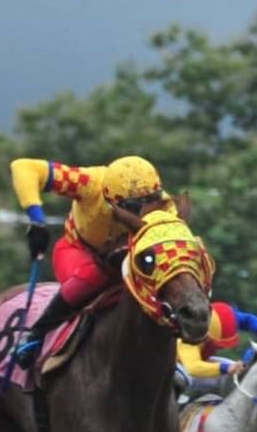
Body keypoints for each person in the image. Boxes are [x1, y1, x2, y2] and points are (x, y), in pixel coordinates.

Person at [9, 154, 177, 368]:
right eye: (134, 207)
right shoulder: (90, 183)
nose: (144, 213)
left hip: (125, 261)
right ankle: (36, 334)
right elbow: (23, 167)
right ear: (109, 199)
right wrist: (37, 220)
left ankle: (175, 356)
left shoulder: (166, 207)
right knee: (95, 275)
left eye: (151, 202)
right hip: (79, 252)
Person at [174, 301, 257, 395]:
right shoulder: (190, 337)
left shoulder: (226, 316)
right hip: (176, 364)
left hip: (198, 360)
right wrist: (226, 368)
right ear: (207, 336)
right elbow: (193, 368)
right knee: (183, 378)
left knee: (236, 374)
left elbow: (247, 320)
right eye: (217, 344)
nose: (219, 348)